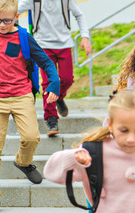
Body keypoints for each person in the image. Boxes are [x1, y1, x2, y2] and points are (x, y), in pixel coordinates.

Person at [0, 0, 60, 213]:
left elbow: (46, 62)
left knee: (31, 137)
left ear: (16, 17)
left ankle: (23, 163)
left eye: (6, 20)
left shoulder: (24, 37)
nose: (1, 25)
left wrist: (54, 82)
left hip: (21, 95)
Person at [18, 0, 92, 136]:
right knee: (48, 82)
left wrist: (85, 36)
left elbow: (79, 15)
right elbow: (13, 11)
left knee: (67, 79)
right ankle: (51, 119)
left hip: (64, 44)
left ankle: (59, 97)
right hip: (43, 45)